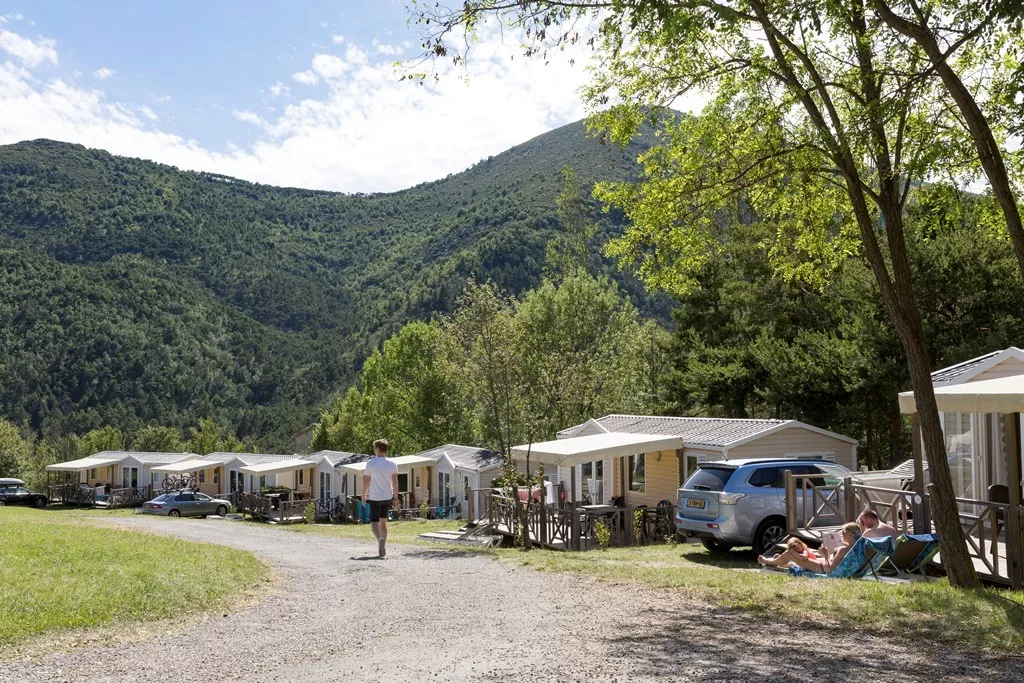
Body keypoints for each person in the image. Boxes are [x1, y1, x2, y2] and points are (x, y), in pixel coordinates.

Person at [758, 523, 862, 573]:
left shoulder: (843, 550)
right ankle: (777, 561)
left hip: (821, 568)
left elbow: (829, 569)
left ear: (851, 535)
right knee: (796, 559)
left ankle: (769, 561)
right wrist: (824, 555)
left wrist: (826, 555)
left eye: (843, 532)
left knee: (790, 553)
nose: (842, 534)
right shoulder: (855, 547)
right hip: (821, 562)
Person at [362, 439, 399, 559]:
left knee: (374, 524)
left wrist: (363, 495)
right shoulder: (392, 464)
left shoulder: (371, 463)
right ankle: (383, 545)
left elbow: (366, 480)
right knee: (383, 522)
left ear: (378, 448)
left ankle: (379, 540)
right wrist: (395, 497)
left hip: (375, 497)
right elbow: (395, 481)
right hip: (387, 496)